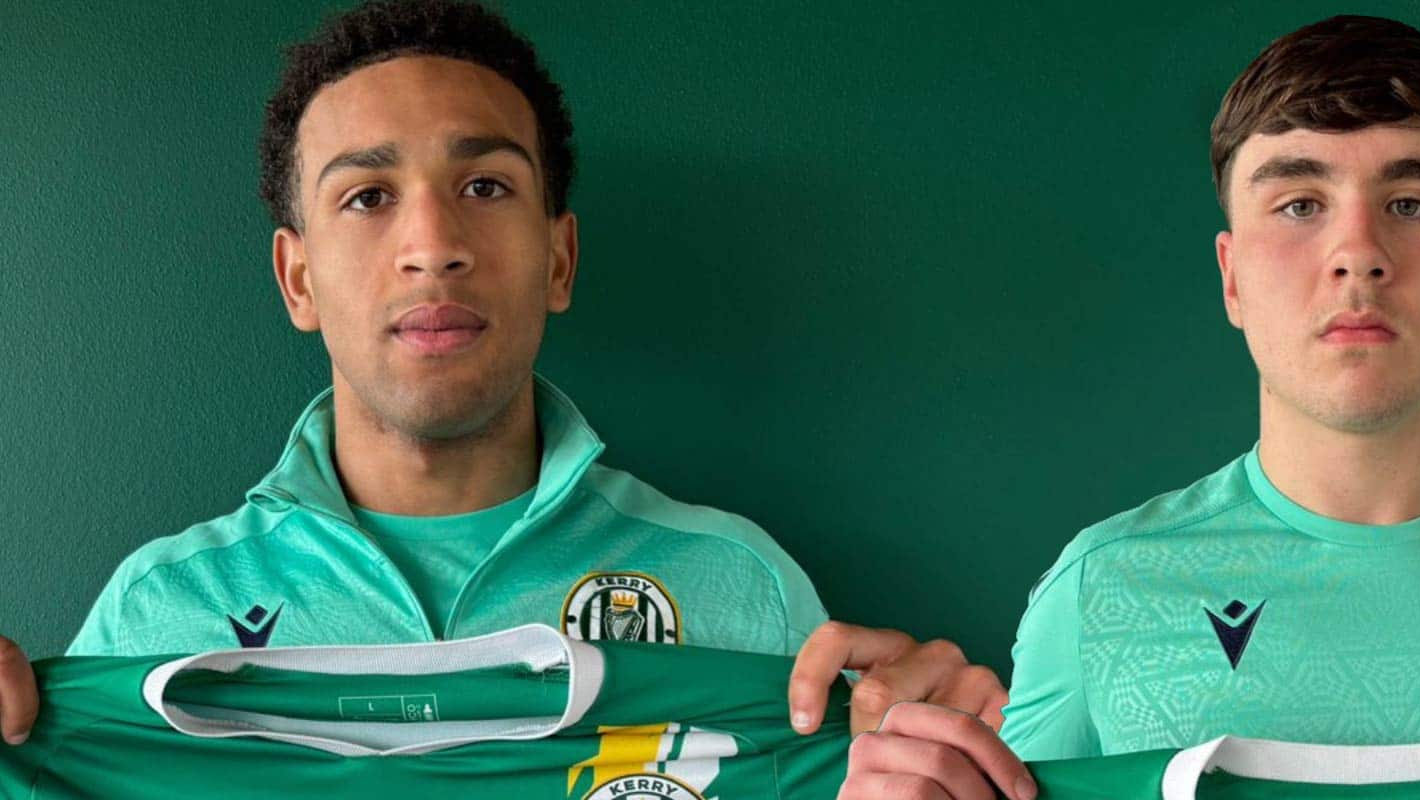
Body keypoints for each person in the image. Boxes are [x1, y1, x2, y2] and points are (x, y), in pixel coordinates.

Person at [0, 0, 1004, 757]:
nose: (432, 245)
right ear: (297, 278)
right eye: (367, 196)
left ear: (559, 259)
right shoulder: (155, 616)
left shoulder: (746, 593)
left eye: (485, 185)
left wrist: (938, 758)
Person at [838, 15, 1420, 800]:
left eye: (1411, 202)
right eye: (1299, 202)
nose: (1358, 254)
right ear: (1232, 278)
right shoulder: (1102, 588)